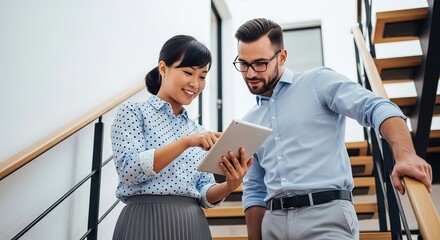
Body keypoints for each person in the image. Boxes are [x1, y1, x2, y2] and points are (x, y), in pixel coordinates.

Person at [233, 18, 433, 240]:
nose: (250, 73)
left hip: (326, 216)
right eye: (243, 64)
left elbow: (378, 107)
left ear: (282, 57)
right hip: (273, 224)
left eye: (259, 63)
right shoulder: (249, 120)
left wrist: (405, 155)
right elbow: (254, 190)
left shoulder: (318, 82)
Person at [110, 35, 252, 240]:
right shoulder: (133, 112)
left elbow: (204, 192)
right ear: (163, 68)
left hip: (192, 225)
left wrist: (230, 184)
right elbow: (128, 171)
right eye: (188, 72)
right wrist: (186, 143)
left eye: (202, 76)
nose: (195, 84)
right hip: (143, 222)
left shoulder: (198, 130)